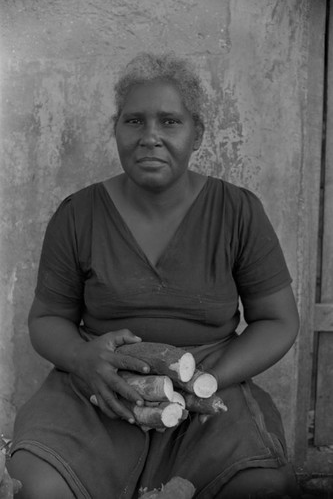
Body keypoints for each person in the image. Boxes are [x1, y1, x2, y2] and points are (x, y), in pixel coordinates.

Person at [8, 52, 300, 499]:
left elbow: (278, 320)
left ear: (197, 133)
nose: (150, 138)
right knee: (37, 486)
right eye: (134, 122)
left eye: (169, 122)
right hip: (100, 389)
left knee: (261, 485)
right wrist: (84, 361)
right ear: (117, 131)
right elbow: (47, 319)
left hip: (206, 389)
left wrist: (208, 379)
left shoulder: (237, 211)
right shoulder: (78, 214)